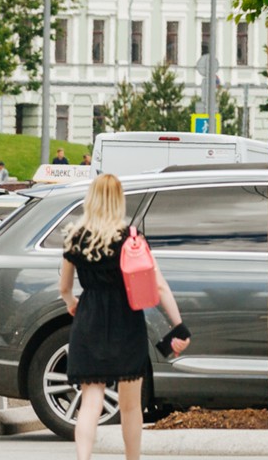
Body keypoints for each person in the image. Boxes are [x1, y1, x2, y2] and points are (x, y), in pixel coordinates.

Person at [60, 174, 189, 460]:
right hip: (126, 321)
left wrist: (73, 304)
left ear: (91, 199)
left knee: (90, 401)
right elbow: (158, 285)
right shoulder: (131, 238)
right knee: (130, 405)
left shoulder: (75, 238)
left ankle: (83, 457)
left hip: (89, 320)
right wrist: (178, 325)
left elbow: (65, 287)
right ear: (119, 200)